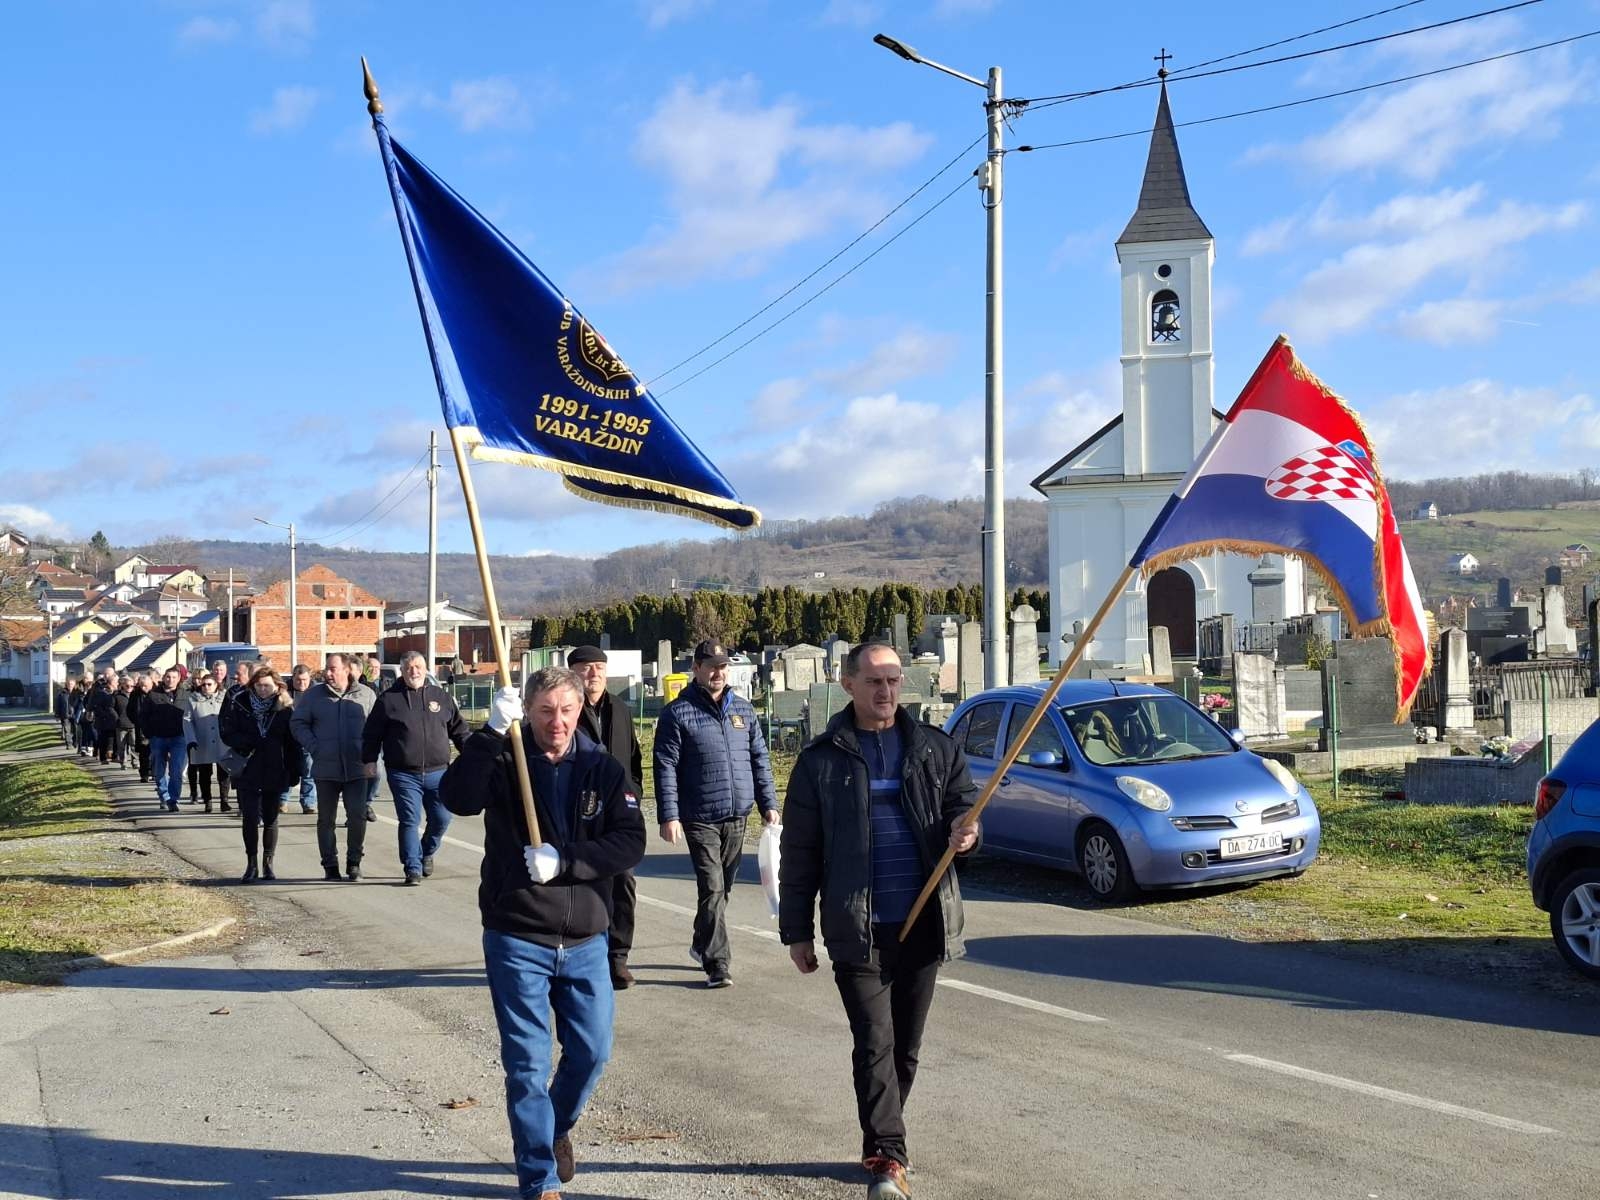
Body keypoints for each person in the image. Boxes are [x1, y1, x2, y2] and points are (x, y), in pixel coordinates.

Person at [779, 642, 980, 1200]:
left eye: (893, 679)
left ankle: (879, 1135)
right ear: (848, 685)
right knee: (874, 1042)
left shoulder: (934, 750)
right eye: (874, 680)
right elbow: (799, 852)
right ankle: (889, 1158)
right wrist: (796, 930)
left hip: (923, 923)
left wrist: (968, 829)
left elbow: (964, 806)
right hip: (856, 927)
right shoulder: (821, 761)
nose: (886, 690)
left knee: (905, 1049)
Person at [440, 668, 645, 1200]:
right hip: (517, 935)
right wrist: (488, 734)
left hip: (585, 940)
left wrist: (567, 861)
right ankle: (539, 1178)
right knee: (527, 1064)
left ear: (580, 711)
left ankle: (553, 1128)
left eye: (566, 711)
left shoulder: (602, 768)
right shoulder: (506, 759)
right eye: (545, 711)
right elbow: (457, 799)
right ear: (527, 710)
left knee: (592, 1052)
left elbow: (630, 843)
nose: (557, 722)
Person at [652, 639, 778, 988]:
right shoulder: (677, 714)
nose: (717, 673)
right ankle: (717, 963)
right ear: (696, 669)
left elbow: (759, 759)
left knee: (723, 890)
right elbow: (665, 766)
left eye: (722, 667)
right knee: (712, 886)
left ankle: (700, 942)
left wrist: (769, 804)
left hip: (737, 814)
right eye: (710, 666)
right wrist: (669, 814)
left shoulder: (743, 711)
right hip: (699, 815)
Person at [568, 645, 644, 989]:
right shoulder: (566, 711)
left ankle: (618, 958)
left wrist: (634, 795)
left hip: (617, 812)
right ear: (573, 673)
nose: (593, 674)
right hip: (577, 812)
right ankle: (585, 953)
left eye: (599, 667)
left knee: (623, 882)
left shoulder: (620, 710)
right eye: (586, 668)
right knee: (581, 881)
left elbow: (634, 758)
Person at [362, 650, 467, 886]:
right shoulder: (388, 700)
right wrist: (369, 760)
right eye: (409, 667)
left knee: (442, 818)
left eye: (418, 666)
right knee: (410, 820)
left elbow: (460, 731)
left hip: (439, 772)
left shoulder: (440, 697)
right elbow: (371, 734)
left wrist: (474, 756)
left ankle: (426, 851)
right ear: (402, 670)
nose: (414, 672)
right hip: (403, 773)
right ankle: (412, 868)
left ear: (426, 668)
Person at [291, 652, 376, 881]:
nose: (328, 673)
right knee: (326, 820)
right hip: (326, 768)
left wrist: (371, 756)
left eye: (333, 668)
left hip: (357, 769)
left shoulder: (366, 695)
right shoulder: (313, 696)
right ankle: (330, 865)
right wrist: (314, 746)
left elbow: (376, 729)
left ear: (347, 670)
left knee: (357, 817)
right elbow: (298, 723)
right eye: (327, 668)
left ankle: (354, 863)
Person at [221, 666, 301, 881]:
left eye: (267, 686)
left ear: (277, 686)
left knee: (271, 818)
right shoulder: (239, 703)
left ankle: (268, 863)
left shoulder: (285, 708)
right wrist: (247, 742)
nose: (262, 690)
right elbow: (226, 732)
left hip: (275, 767)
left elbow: (293, 743)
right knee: (249, 817)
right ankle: (251, 864)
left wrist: (296, 770)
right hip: (247, 766)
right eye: (259, 686)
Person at [142, 667, 192, 812]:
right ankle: (164, 795)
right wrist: (149, 733)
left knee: (177, 771)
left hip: (179, 737)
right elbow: (143, 716)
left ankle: (173, 799)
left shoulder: (186, 695)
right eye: (168, 677)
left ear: (179, 679)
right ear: (164, 678)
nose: (170, 680)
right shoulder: (153, 695)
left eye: (174, 677)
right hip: (158, 737)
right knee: (158, 770)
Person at [186, 672, 230, 813]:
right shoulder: (193, 699)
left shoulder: (225, 698)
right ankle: (207, 800)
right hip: (202, 739)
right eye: (203, 685)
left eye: (209, 684)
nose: (206, 687)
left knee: (224, 772)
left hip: (221, 740)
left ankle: (224, 800)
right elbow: (187, 720)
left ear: (216, 685)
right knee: (205, 773)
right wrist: (191, 739)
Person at [286, 664, 317, 813]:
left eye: (305, 680)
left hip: (308, 738)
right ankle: (282, 800)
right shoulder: (284, 692)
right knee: (287, 770)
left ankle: (308, 802)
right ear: (293, 678)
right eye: (298, 680)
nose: (301, 683)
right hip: (288, 738)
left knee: (309, 771)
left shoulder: (317, 692)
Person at [126, 672, 155, 781]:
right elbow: (130, 710)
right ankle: (144, 774)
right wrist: (137, 721)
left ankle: (154, 771)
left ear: (151, 684)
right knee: (143, 752)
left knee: (155, 751)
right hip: (141, 728)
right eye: (141, 685)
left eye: (145, 686)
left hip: (155, 727)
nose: (143, 688)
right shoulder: (135, 694)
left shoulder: (155, 693)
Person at [89, 668, 120, 765]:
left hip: (113, 719)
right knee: (103, 738)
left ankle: (114, 755)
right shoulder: (102, 691)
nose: (118, 684)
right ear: (111, 683)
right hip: (103, 719)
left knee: (113, 737)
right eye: (116, 682)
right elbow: (97, 705)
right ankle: (103, 758)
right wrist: (103, 714)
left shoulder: (116, 692)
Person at [114, 675, 136, 768]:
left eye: (132, 686)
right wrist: (117, 718)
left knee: (134, 745)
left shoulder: (135, 695)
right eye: (127, 686)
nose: (130, 688)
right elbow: (112, 708)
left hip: (133, 724)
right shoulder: (117, 696)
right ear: (123, 685)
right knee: (121, 745)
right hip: (121, 724)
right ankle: (123, 762)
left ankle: (135, 762)